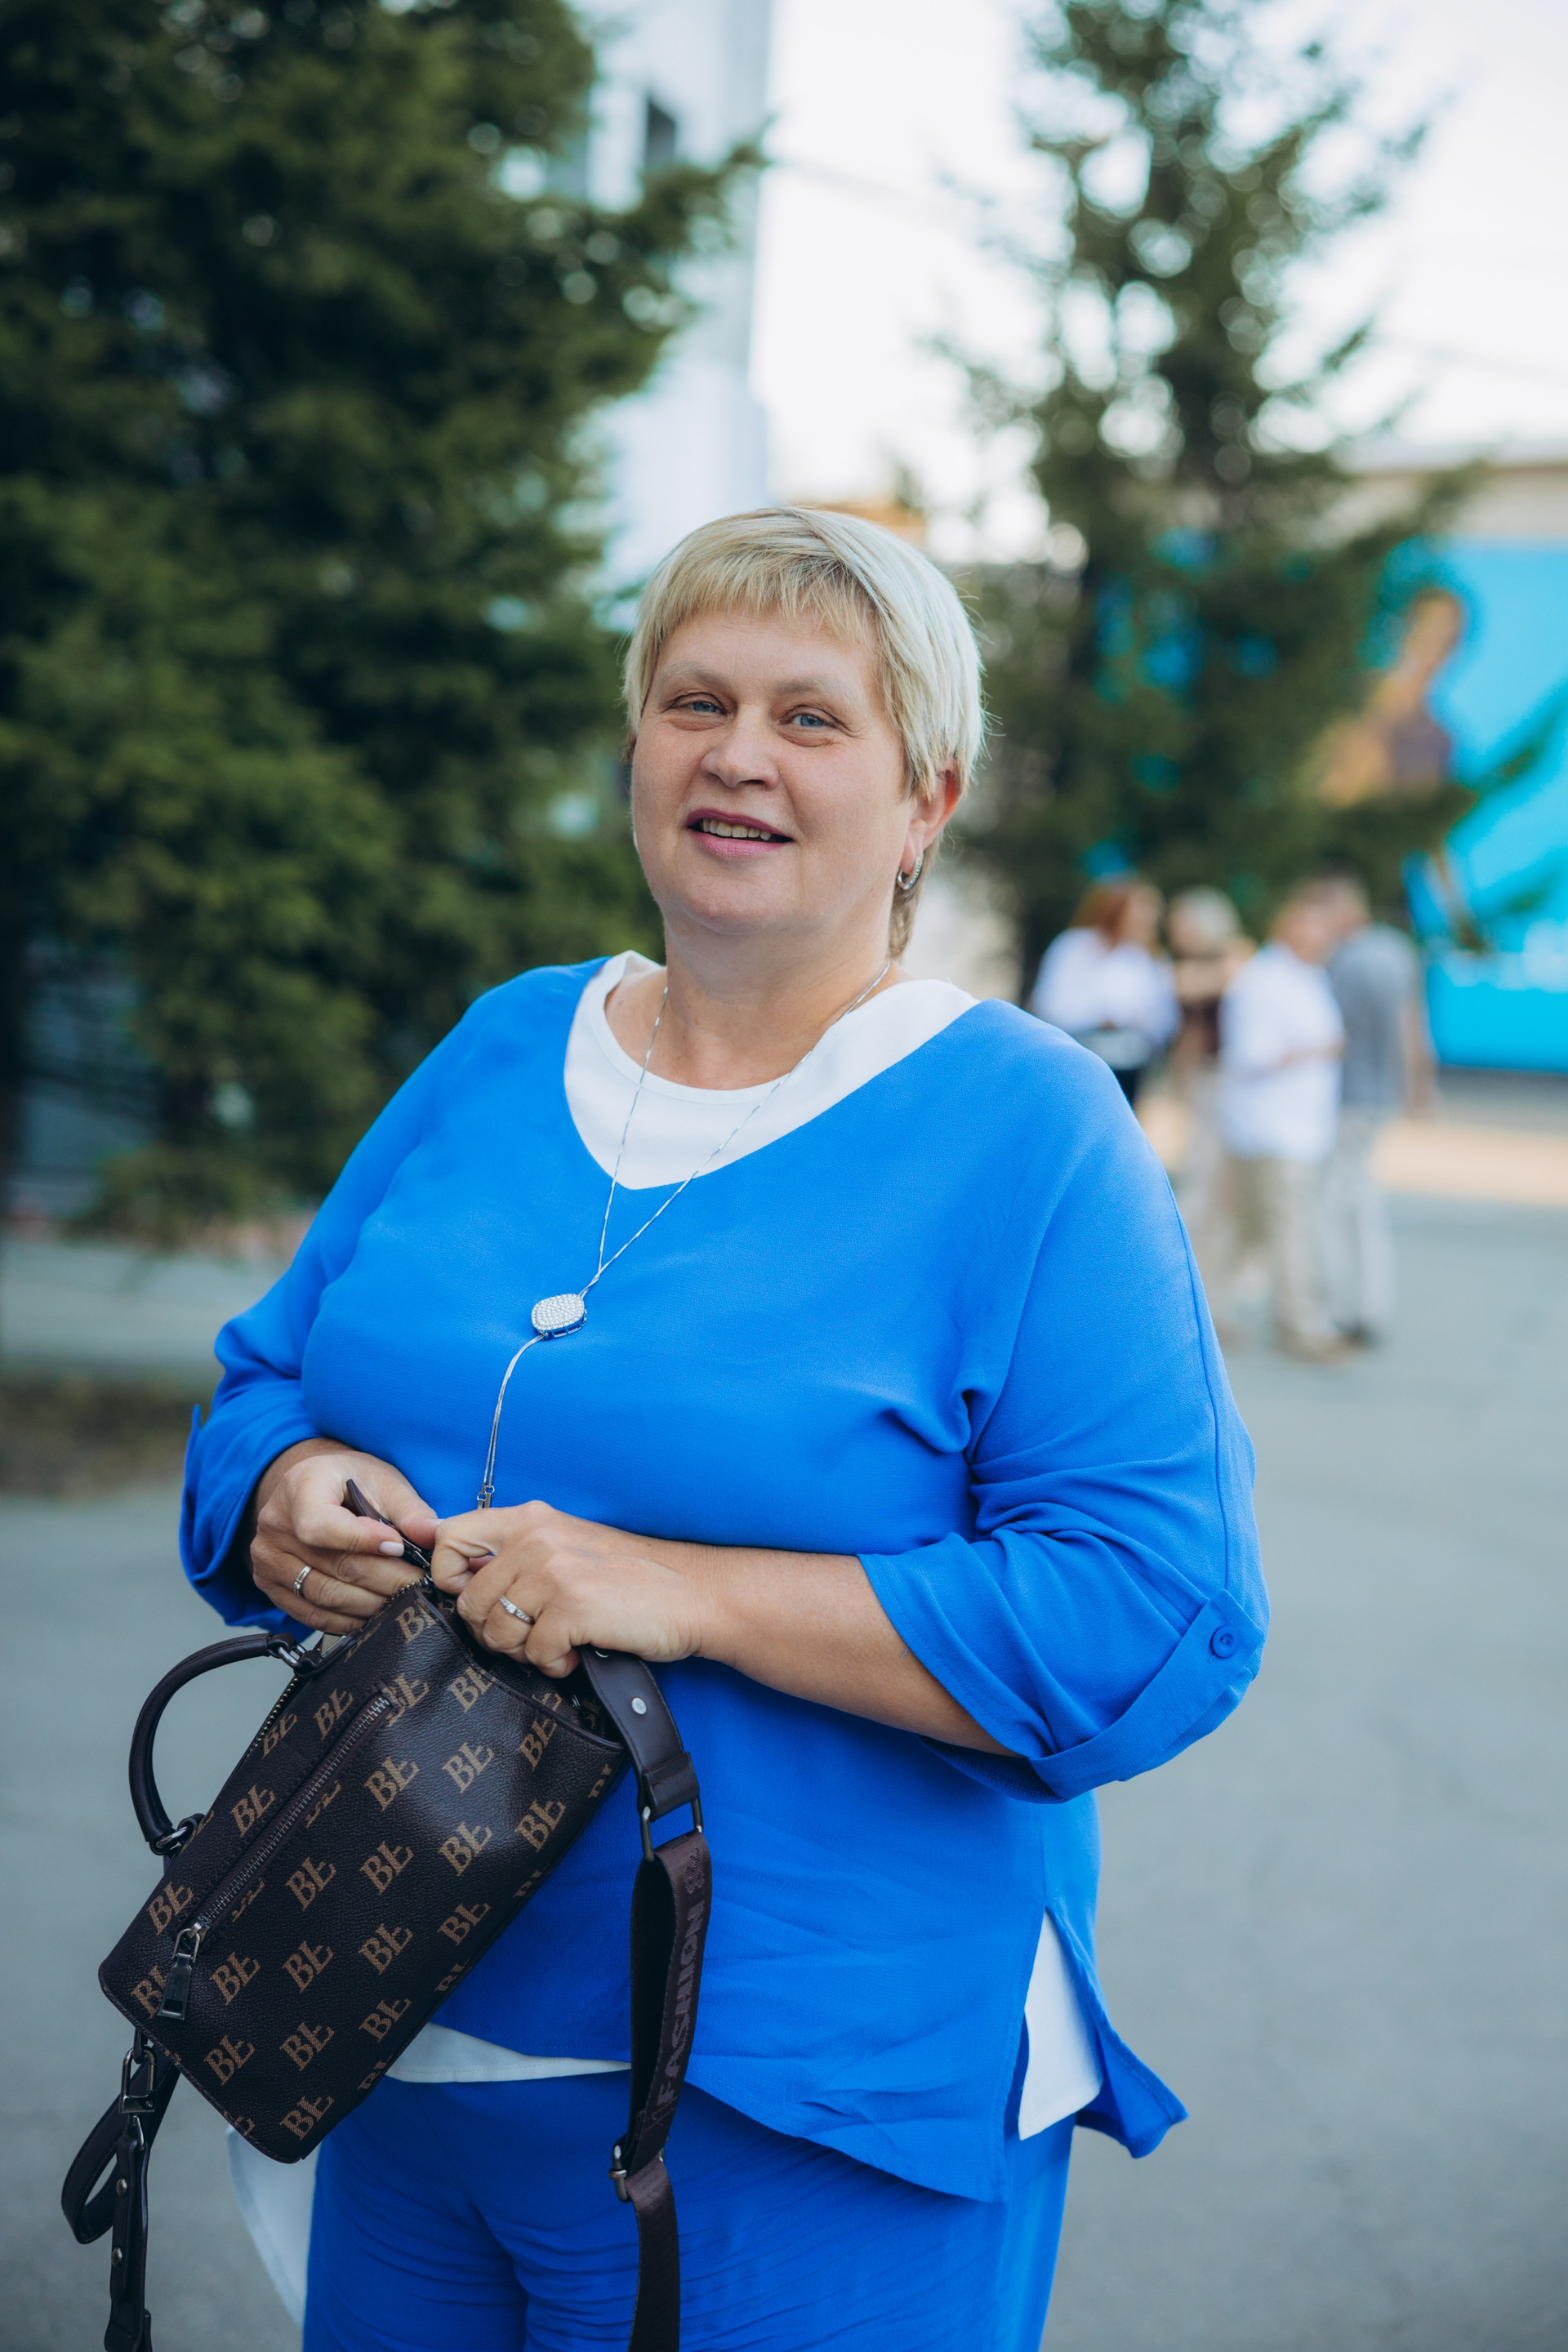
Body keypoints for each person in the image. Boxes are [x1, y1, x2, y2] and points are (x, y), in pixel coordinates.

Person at [180, 506, 1266, 2352]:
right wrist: (280, 1485)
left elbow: (1153, 1616)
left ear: (926, 798)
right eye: (695, 702)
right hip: (388, 2011)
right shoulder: (506, 1044)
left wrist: (685, 1590)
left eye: (810, 717)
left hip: (795, 2089)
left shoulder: (1027, 1125)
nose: (737, 754)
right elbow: (262, 1376)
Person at [1199, 883, 1347, 1362]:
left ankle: (1209, 1311)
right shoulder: (1264, 980)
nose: (1319, 938)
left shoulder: (1310, 978)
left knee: (1244, 1227)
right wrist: (1315, 1050)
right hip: (1269, 1128)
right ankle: (1300, 1325)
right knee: (1288, 1229)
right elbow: (1251, 1055)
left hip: (1298, 1127)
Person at [1320, 876, 1436, 1344]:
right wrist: (1420, 1085)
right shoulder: (1396, 951)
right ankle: (1371, 1302)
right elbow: (1414, 1023)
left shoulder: (1344, 961)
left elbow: (1331, 1035)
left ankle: (1340, 1305)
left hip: (1344, 1096)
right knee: (1364, 1204)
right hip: (1379, 1096)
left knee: (1335, 1206)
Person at [1028, 878, 1178, 1105]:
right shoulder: (1075, 948)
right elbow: (1050, 1004)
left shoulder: (1149, 961)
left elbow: (1163, 1021)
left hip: (1129, 1066)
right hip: (1077, 1058)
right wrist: (1101, 1017)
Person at [1165, 887, 1254, 1235]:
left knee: (1217, 1166)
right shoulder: (1194, 964)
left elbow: (1223, 977)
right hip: (1202, 1074)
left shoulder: (1233, 954)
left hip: (1228, 1074)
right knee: (1203, 1162)